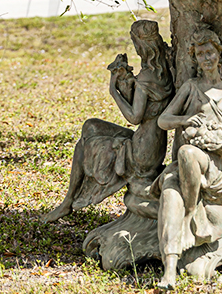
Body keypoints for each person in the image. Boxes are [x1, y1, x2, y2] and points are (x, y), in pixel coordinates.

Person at [154, 24, 222, 290]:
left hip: (220, 164)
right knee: (178, 172)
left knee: (184, 160)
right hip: (193, 159)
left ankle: (190, 212)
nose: (206, 58)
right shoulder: (191, 86)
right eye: (201, 54)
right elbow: (164, 120)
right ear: (196, 59)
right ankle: (169, 270)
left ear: (219, 54)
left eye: (210, 52)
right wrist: (187, 118)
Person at [42, 20, 174, 223]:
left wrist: (114, 90)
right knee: (91, 125)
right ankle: (67, 201)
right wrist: (128, 85)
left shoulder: (147, 78)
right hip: (154, 144)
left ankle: (68, 201)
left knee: (86, 143)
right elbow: (150, 109)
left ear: (141, 45)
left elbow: (134, 117)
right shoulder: (163, 70)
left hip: (142, 152)